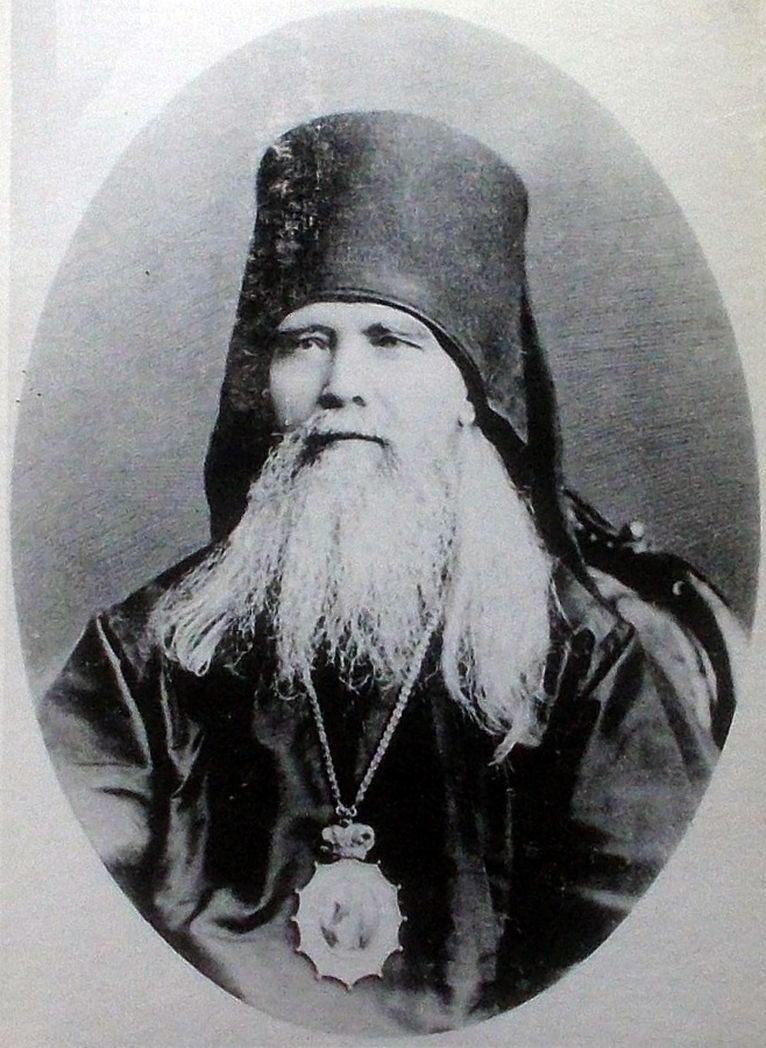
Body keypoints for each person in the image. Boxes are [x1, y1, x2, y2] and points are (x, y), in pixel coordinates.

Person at [38, 111, 743, 1035]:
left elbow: (645, 960)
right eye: (305, 342)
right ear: (267, 384)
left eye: (391, 340)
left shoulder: (583, 655)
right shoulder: (151, 648)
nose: (341, 382)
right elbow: (54, 899)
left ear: (468, 395)